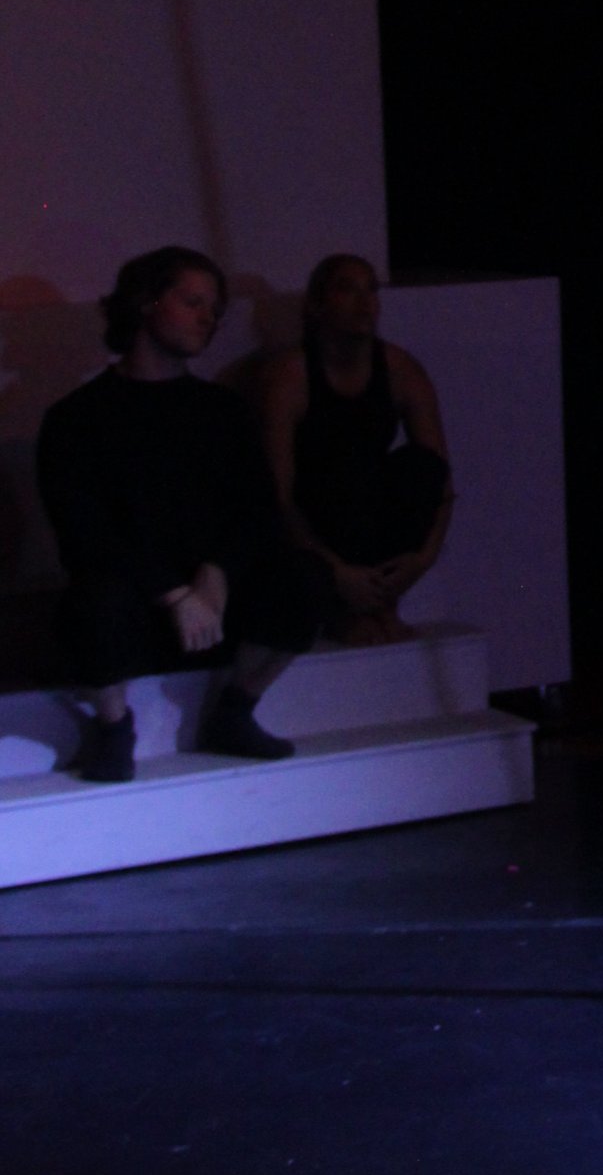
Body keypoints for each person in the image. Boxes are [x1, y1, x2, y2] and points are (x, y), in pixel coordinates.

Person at [35, 246, 324, 782]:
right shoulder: (78, 418)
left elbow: (256, 509)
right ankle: (113, 727)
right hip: (136, 603)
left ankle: (236, 710)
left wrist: (214, 579)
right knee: (91, 602)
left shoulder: (222, 410)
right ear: (146, 303)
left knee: (301, 579)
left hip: (214, 608)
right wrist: (174, 594)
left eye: (213, 309)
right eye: (192, 302)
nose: (206, 319)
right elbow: (84, 531)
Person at [261, 255, 454, 647]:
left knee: (420, 469)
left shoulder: (400, 368)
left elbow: (441, 479)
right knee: (341, 476)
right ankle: (344, 611)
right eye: (347, 289)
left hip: (370, 508)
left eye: (371, 290)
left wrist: (424, 559)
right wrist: (335, 572)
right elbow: (277, 494)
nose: (364, 302)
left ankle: (380, 604)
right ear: (317, 304)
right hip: (320, 511)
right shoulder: (291, 375)